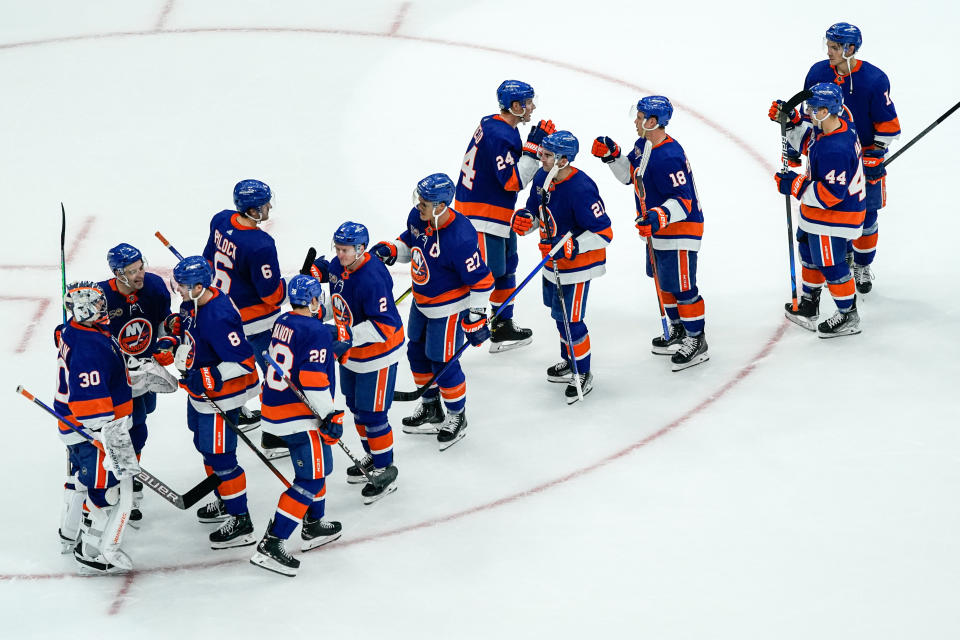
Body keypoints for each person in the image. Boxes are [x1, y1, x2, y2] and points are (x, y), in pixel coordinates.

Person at [770, 22, 900, 294]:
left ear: (849, 48)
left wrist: (875, 153)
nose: (828, 52)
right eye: (827, 45)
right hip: (828, 157)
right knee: (826, 210)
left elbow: (888, 125)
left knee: (866, 217)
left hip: (863, 159)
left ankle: (862, 265)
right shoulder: (818, 72)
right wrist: (793, 143)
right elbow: (808, 116)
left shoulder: (875, 80)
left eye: (834, 47)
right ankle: (838, 261)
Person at [370, 173, 494, 450]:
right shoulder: (419, 218)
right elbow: (410, 245)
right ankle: (431, 408)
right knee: (415, 352)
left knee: (443, 361)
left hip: (449, 308)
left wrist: (476, 315)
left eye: (425, 202)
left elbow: (482, 281)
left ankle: (456, 414)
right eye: (418, 199)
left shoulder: (460, 236)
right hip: (421, 301)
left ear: (441, 206)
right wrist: (393, 250)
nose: (418, 205)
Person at [592, 95, 708, 370]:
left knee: (682, 287)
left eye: (640, 116)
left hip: (680, 230)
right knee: (663, 282)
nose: (635, 120)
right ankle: (678, 329)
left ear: (652, 121)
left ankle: (697, 339)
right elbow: (629, 175)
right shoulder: (644, 145)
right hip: (659, 230)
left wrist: (658, 216)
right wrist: (613, 157)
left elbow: (684, 200)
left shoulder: (669, 156)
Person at [453, 80, 556, 352]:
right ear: (514, 106)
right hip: (480, 217)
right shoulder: (502, 134)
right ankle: (463, 327)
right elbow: (511, 181)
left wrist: (528, 149)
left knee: (508, 265)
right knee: (484, 273)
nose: (532, 106)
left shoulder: (494, 124)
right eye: (528, 102)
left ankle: (502, 326)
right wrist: (533, 151)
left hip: (496, 214)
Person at [253, 275, 344, 576]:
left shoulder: (282, 320)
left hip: (274, 409)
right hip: (299, 416)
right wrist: (330, 415)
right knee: (310, 480)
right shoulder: (316, 330)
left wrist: (325, 338)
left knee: (319, 470)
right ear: (316, 301)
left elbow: (299, 347)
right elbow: (314, 381)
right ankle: (273, 543)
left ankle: (314, 524)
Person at [512, 131, 613, 403]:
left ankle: (583, 371)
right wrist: (526, 221)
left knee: (572, 319)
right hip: (551, 261)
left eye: (547, 155)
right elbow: (535, 212)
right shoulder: (542, 178)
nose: (540, 158)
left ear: (564, 160)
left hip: (579, 266)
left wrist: (575, 246)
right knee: (560, 317)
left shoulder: (581, 188)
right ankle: (570, 361)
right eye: (542, 153)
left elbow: (604, 232)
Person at [170, 256, 261, 548]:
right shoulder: (192, 304)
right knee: (204, 447)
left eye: (183, 286)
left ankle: (241, 519)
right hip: (201, 395)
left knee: (221, 457)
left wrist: (209, 376)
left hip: (221, 397)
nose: (179, 291)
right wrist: (172, 340)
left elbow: (245, 362)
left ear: (199, 286)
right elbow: (189, 333)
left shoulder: (219, 315)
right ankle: (225, 499)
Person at [311, 222, 403, 503]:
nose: (339, 255)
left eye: (345, 250)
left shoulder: (373, 277)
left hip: (379, 355)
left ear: (361, 249)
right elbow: (340, 303)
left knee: (373, 415)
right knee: (355, 409)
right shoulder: (339, 268)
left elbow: (384, 326)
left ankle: (384, 468)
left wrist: (345, 334)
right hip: (351, 354)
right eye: (337, 249)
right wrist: (319, 312)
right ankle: (372, 457)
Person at [54, 281, 135, 573]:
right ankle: (90, 552)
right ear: (85, 310)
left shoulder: (75, 331)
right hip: (91, 431)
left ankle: (68, 532)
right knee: (105, 489)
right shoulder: (90, 347)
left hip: (74, 427)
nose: (104, 308)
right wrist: (107, 439)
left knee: (82, 480)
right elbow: (91, 403)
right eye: (98, 304)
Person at [774, 83, 866, 337]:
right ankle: (809, 303)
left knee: (831, 263)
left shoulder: (835, 148)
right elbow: (809, 143)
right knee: (808, 249)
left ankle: (848, 315)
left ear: (827, 110)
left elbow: (829, 196)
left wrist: (794, 184)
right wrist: (791, 121)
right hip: (820, 214)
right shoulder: (832, 127)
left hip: (835, 216)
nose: (809, 113)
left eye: (813, 109)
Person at [98, 243, 176, 525]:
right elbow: (84, 334)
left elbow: (164, 324)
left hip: (144, 371)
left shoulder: (154, 287)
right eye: (132, 272)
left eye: (141, 267)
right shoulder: (102, 297)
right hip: (116, 378)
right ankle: (122, 482)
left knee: (142, 421)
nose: (140, 274)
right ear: (118, 274)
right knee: (131, 428)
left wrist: (168, 340)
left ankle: (128, 474)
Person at [201, 179, 286, 430]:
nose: (269, 206)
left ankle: (235, 414)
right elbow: (271, 295)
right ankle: (275, 431)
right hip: (257, 322)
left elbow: (207, 260)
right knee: (275, 375)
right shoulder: (260, 245)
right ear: (252, 210)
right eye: (264, 204)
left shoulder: (221, 219)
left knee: (233, 367)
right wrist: (292, 289)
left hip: (221, 314)